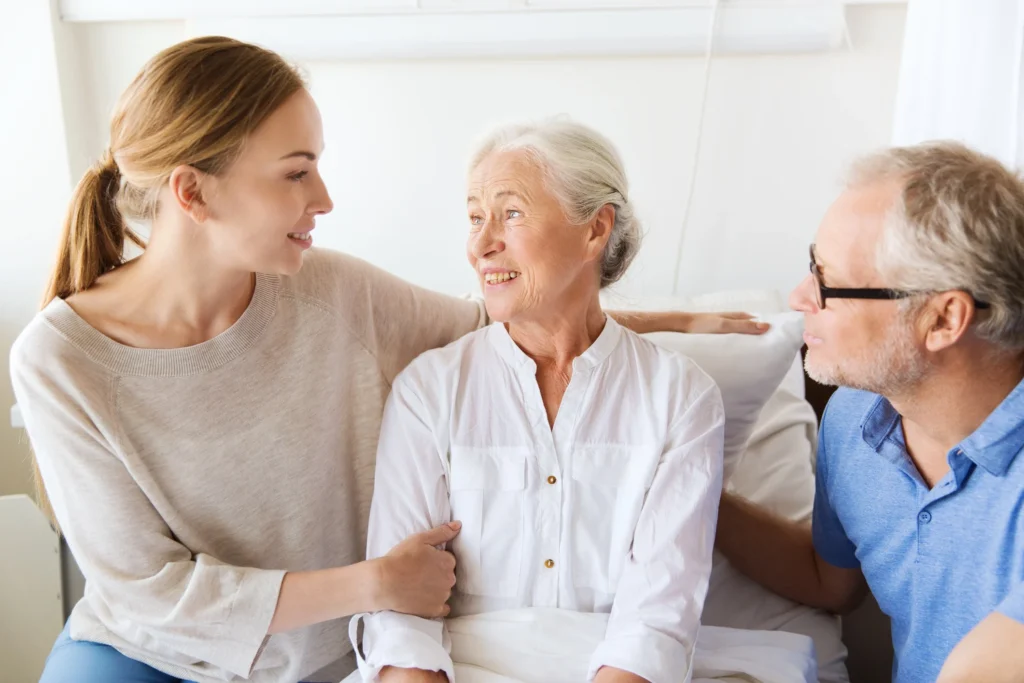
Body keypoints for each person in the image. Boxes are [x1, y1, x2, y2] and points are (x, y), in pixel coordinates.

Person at [9, 37, 761, 683]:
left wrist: (676, 318)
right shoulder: (59, 359)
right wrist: (375, 582)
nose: (326, 197)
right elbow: (148, 593)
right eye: (296, 171)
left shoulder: (333, 292)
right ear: (192, 193)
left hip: (321, 654)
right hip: (146, 651)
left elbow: (511, 316)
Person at [353, 120, 726, 683]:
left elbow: (656, 620)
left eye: (512, 213)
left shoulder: (682, 397)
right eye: (476, 217)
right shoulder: (428, 390)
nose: (481, 245)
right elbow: (399, 616)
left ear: (595, 229)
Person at [715, 142, 1024, 683]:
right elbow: (827, 580)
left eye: (827, 282)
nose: (797, 297)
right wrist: (684, 485)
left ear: (942, 319)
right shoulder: (857, 420)